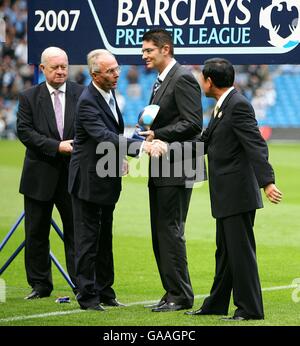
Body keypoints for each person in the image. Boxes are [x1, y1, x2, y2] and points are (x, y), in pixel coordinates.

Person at [185, 58, 282, 320]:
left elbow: (256, 144)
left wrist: (267, 182)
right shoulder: (224, 105)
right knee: (226, 252)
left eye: (201, 78)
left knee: (240, 253)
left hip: (237, 193)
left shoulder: (237, 105)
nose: (200, 83)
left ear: (209, 81)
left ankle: (250, 308)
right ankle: (216, 303)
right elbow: (204, 141)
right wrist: (164, 142)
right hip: (227, 193)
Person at [68, 49, 165, 311]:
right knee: (88, 240)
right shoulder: (88, 100)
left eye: (117, 68)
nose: (117, 74)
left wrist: (119, 158)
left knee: (104, 238)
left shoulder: (108, 94)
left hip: (105, 177)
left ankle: (105, 291)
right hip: (88, 181)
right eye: (110, 71)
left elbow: (109, 135)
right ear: (95, 74)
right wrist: (141, 148)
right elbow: (103, 135)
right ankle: (87, 297)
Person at [139, 29, 203, 312]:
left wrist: (158, 135)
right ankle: (171, 291)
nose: (144, 56)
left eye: (149, 50)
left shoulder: (183, 78)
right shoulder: (160, 82)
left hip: (177, 166)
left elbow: (193, 123)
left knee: (170, 230)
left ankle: (180, 295)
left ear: (165, 49)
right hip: (162, 166)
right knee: (160, 231)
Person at [17, 47, 84, 299]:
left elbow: (89, 125)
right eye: (55, 67)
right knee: (35, 233)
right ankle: (40, 285)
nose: (60, 71)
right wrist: (56, 146)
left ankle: (81, 284)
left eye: (64, 66)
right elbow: (25, 132)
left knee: (77, 234)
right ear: (42, 68)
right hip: (39, 175)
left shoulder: (81, 93)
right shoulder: (28, 97)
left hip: (72, 176)